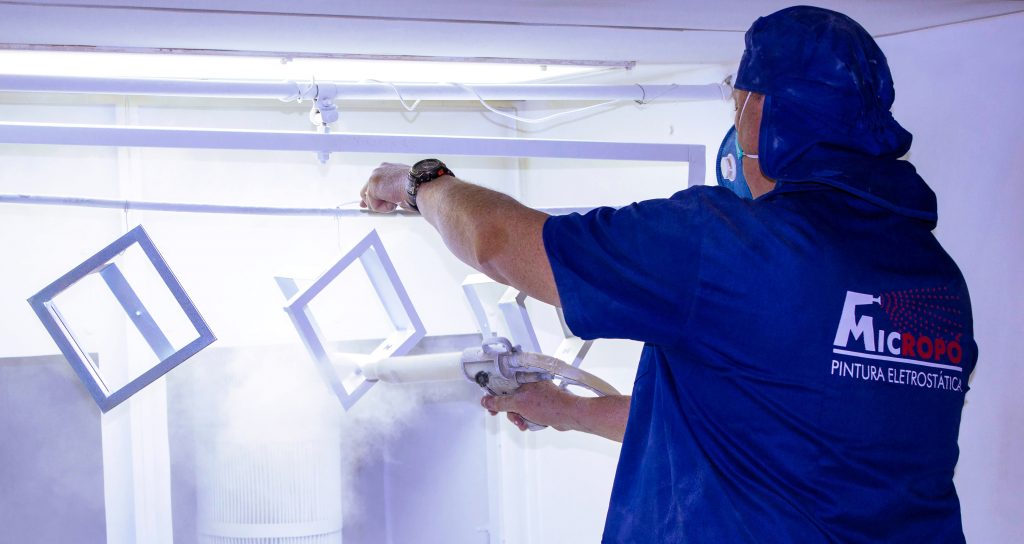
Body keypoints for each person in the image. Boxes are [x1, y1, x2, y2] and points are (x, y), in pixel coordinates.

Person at [359, 5, 977, 543]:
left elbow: (497, 242)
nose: (736, 123)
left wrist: (420, 181)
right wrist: (564, 409)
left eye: (740, 103)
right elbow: (751, 422)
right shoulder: (935, 280)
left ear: (764, 113)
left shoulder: (729, 243)